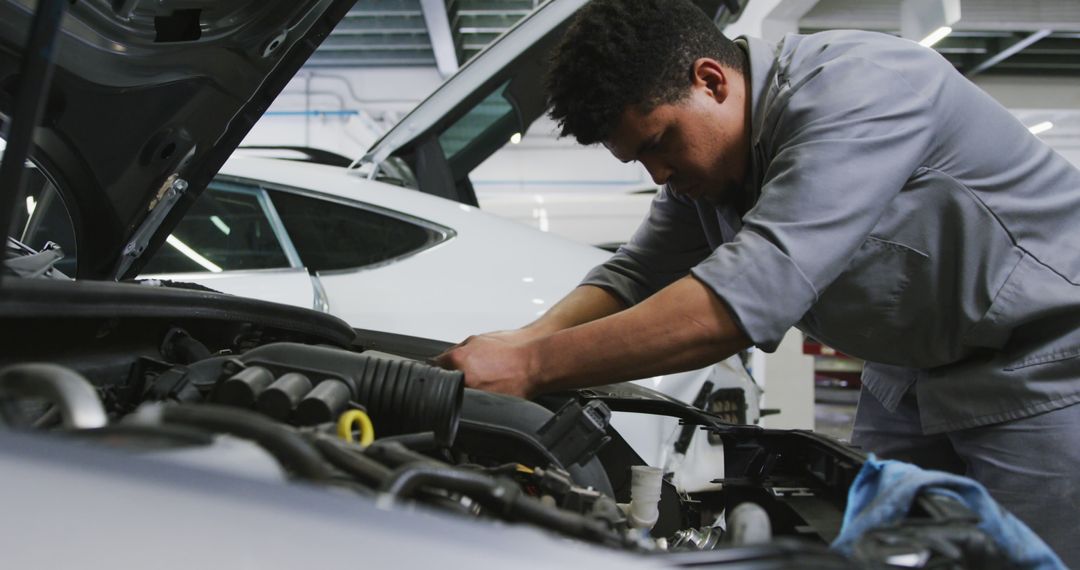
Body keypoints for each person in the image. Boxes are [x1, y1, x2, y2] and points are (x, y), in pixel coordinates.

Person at [434, 0, 1080, 563]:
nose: (659, 174)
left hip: (1039, 369)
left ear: (711, 80)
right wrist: (523, 340)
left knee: (1024, 562)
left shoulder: (860, 88)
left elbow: (736, 304)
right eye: (640, 158)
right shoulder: (711, 171)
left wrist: (533, 366)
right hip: (908, 377)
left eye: (662, 142)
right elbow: (635, 275)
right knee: (881, 553)